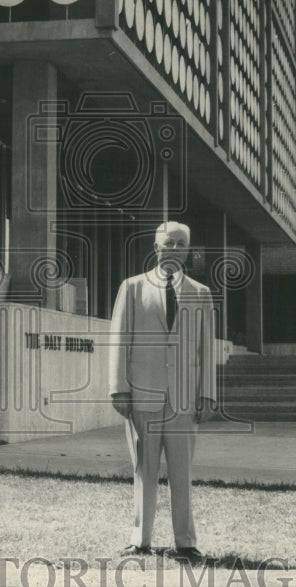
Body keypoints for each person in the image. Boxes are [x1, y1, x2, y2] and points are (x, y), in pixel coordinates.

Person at [108, 221, 217, 561]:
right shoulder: (133, 288)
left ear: (187, 250)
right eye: (167, 243)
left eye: (180, 244)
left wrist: (207, 394)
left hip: (183, 399)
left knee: (181, 472)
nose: (173, 249)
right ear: (156, 248)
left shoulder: (201, 293)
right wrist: (118, 389)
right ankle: (140, 539)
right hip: (142, 396)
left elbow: (205, 349)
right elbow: (119, 341)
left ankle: (185, 542)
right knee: (144, 468)